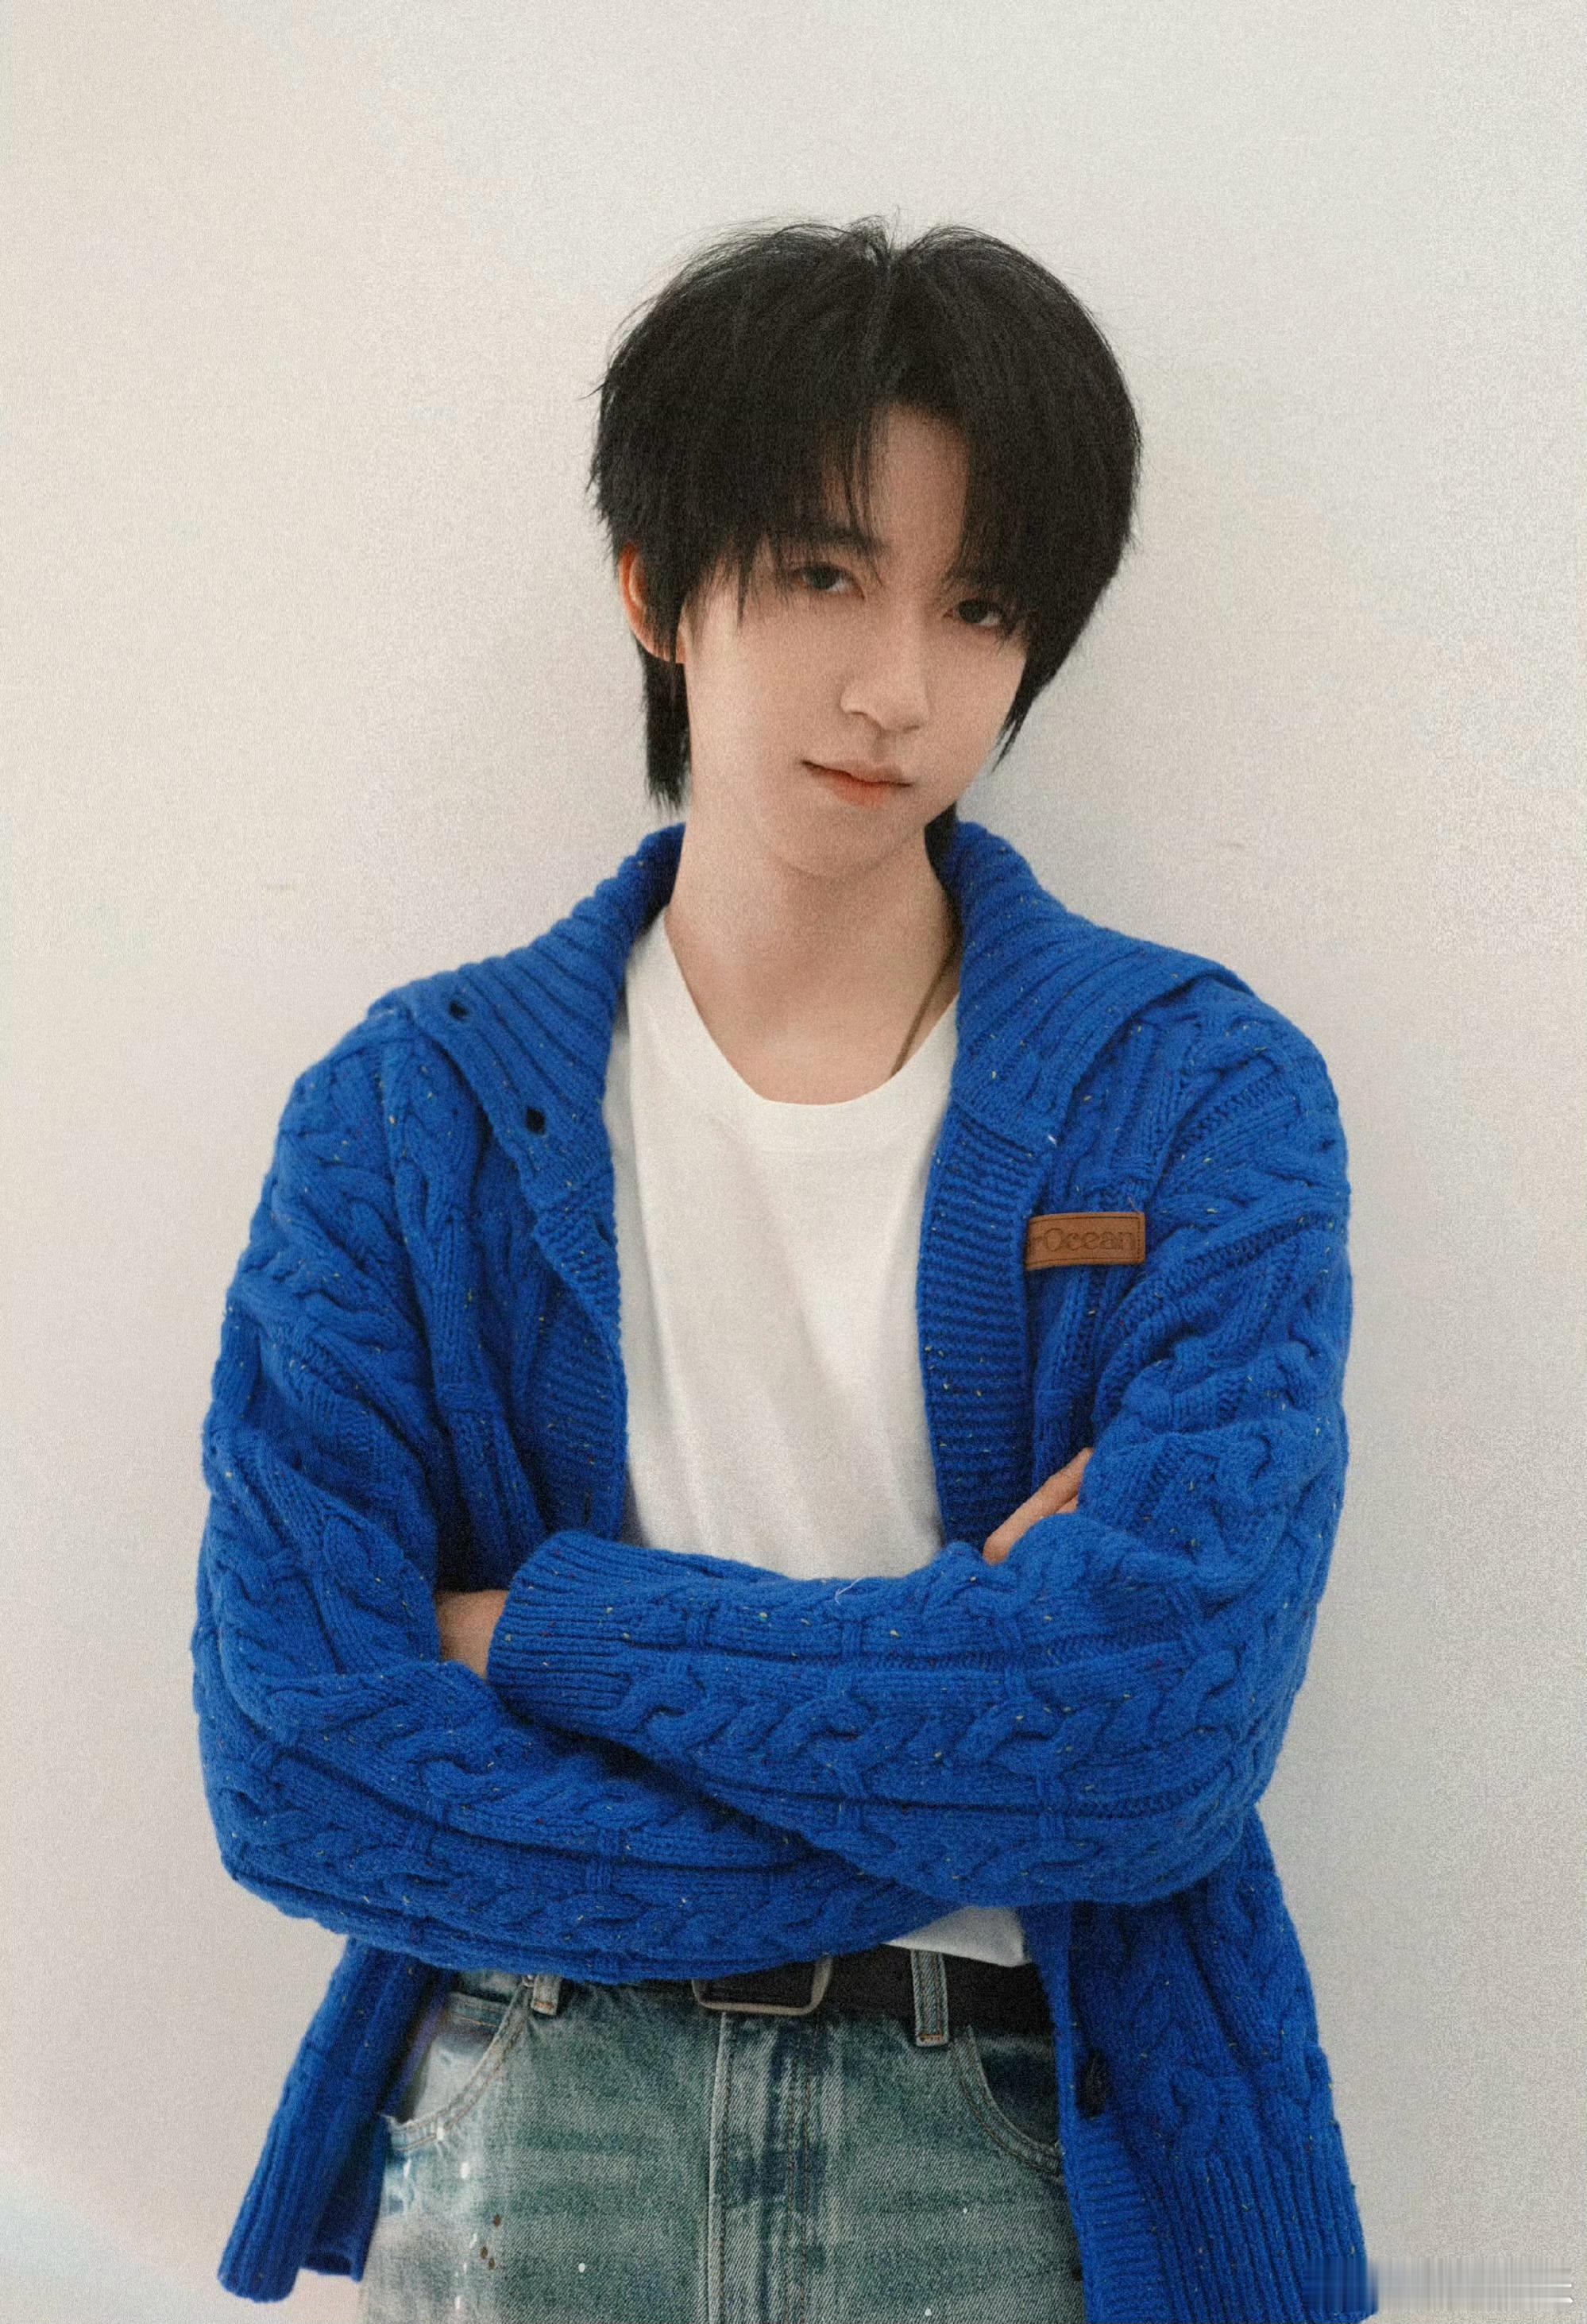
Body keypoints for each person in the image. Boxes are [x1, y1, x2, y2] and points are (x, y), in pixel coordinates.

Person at [194, 215, 1373, 2323]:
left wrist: (540, 1628)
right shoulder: (405, 1118)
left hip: (1020, 2138)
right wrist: (968, 1731)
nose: (901, 688)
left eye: (980, 605)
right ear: (658, 588)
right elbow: (300, 1761)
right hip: (541, 2114)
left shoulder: (1203, 1099)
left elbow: (1156, 1744)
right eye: (827, 574)